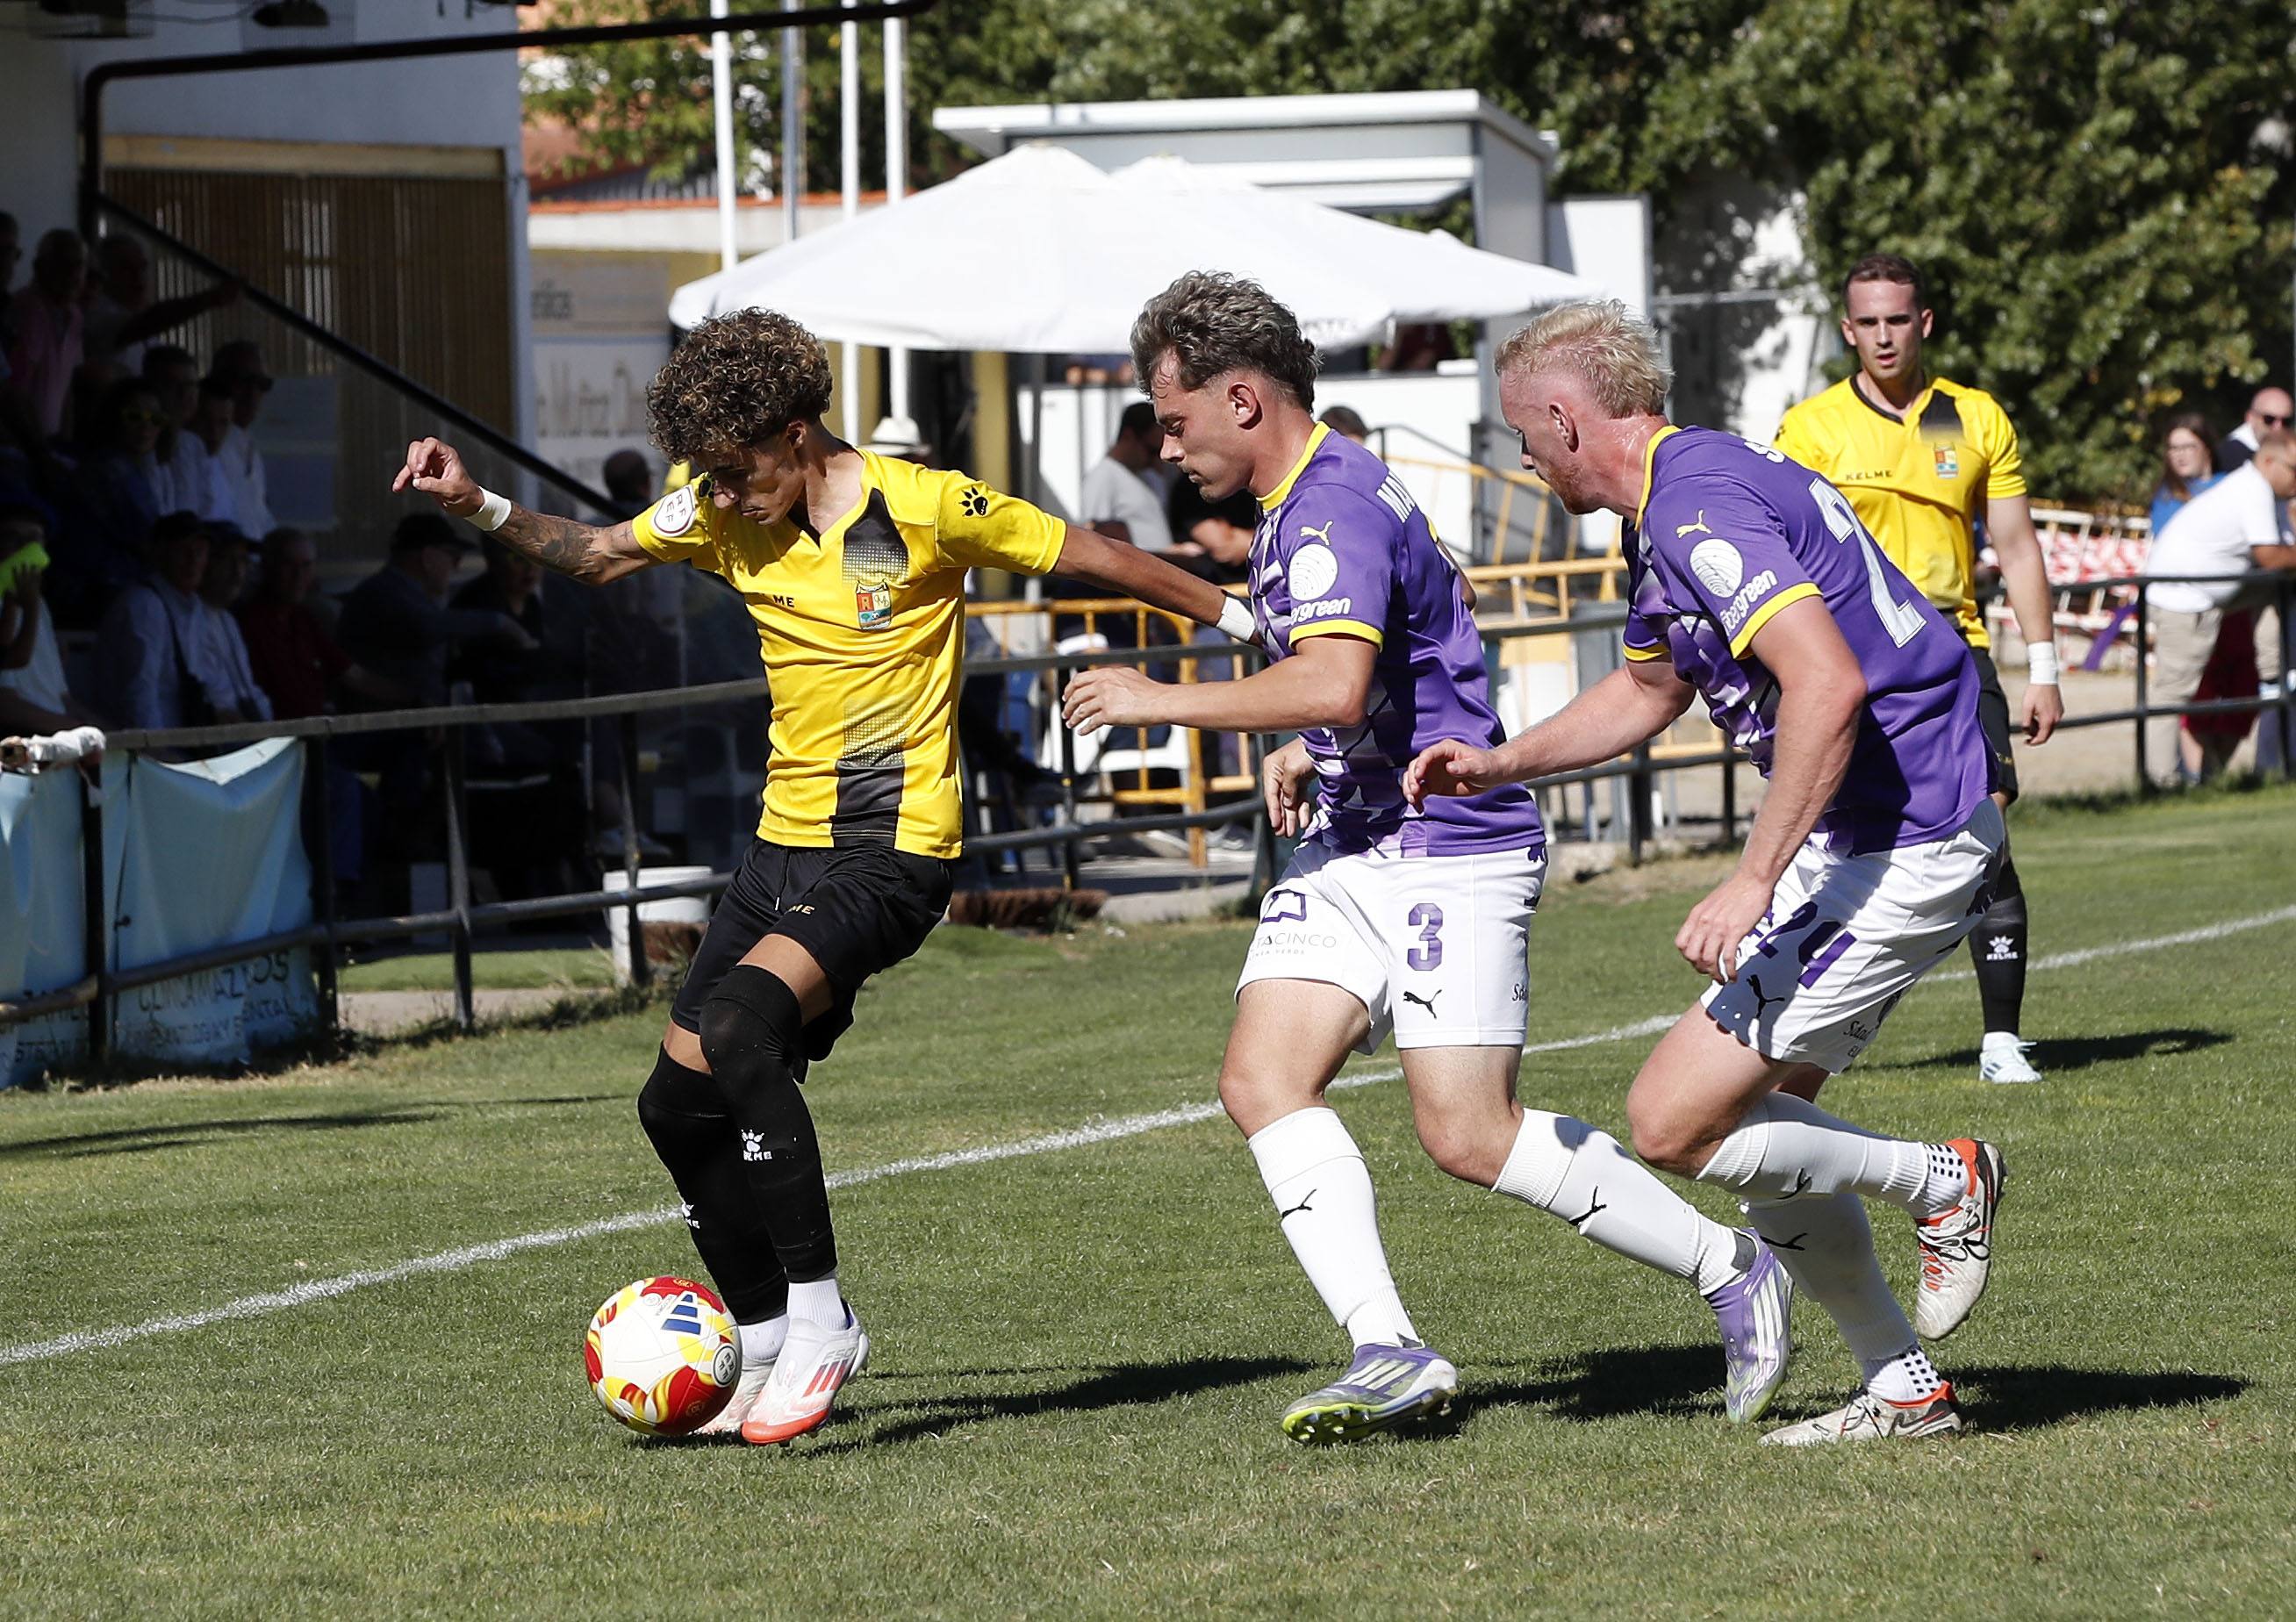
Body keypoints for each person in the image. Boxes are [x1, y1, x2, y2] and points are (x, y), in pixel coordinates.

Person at [392, 306, 1238, 1446]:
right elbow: (595, 555)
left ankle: (823, 1317)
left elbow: (1103, 558)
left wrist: (1246, 619)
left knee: (741, 1028)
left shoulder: (922, 508)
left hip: (892, 849)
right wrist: (474, 503)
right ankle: (766, 1341)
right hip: (778, 850)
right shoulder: (719, 508)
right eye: (711, 476)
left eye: (740, 471)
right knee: (672, 1103)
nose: (724, 495)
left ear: (799, 435)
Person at [1061, 272, 1793, 1444]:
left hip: (1448, 841)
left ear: (1242, 399)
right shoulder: (1306, 498)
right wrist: (1309, 747)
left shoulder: (1330, 503)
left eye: (1174, 412)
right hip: (1358, 836)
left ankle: (1731, 1267)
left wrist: (1165, 696)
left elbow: (1339, 676)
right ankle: (1389, 1348)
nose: (1164, 438)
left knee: (1467, 1134)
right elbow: (1366, 677)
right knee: (1262, 1080)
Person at [1406, 300, 2011, 1446]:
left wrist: (1748, 879)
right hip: (1879, 831)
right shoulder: (1681, 503)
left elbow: (1826, 686)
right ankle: (1903, 1389)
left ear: (1565, 418)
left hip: (1901, 835)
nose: (1526, 462)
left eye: (1523, 438)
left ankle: (1947, 1180)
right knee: (1759, 1138)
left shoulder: (1694, 506)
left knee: (1671, 1121)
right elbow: (1646, 689)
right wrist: (1498, 763)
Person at [1773, 254, 2060, 1087]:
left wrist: (2043, 665)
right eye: (1869, 322)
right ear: (1848, 330)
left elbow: (2016, 545)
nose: (1885, 336)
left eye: (1899, 319)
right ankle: (1806, 1018)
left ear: (1923, 322)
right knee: (1836, 842)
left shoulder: (1966, 419)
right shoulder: (1812, 428)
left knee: (1985, 832)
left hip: (1955, 649)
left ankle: (2001, 1039)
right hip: (1852, 657)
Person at [2140, 430, 2296, 785]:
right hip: (2183, 598)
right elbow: (2271, 557)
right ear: (2269, 462)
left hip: (2203, 594)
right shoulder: (2253, 490)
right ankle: (2161, 783)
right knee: (2171, 694)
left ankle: (2276, 674)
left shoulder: (2261, 489)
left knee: (2275, 590)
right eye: (2294, 470)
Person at [94, 512, 245, 730]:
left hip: (186, 744)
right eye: (183, 551)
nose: (193, 561)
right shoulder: (144, 605)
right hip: (148, 749)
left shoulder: (195, 610)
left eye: (200, 552)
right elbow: (139, 696)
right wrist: (159, 753)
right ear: (160, 553)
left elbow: (212, 683)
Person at [238, 527, 395, 721]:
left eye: (306, 566)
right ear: (269, 567)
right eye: (289, 565)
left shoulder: (303, 619)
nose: (298, 576)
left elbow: (351, 673)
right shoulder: (250, 623)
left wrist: (413, 699)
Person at [0, 505, 104, 737]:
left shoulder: (36, 602)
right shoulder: (23, 603)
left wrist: (113, 735)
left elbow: (62, 698)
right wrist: (81, 733)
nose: (26, 550)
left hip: (58, 739)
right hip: (21, 746)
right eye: (14, 540)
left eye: (35, 541)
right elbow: (6, 701)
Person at [82, 234, 238, 377]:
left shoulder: (150, 335)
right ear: (103, 276)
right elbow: (147, 322)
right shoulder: (96, 316)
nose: (138, 276)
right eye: (126, 269)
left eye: (142, 267)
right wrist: (209, 299)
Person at [142, 344, 239, 528]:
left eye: (191, 386)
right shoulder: (141, 444)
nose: (185, 395)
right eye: (172, 385)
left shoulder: (192, 444)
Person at [4, 229, 86, 440]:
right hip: (19, 445)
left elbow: (67, 389)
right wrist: (40, 453)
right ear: (39, 267)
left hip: (49, 444)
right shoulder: (27, 309)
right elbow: (15, 389)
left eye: (79, 264)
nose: (73, 273)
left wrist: (64, 443)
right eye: (64, 264)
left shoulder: (75, 315)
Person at [191, 528, 271, 722]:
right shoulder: (191, 620)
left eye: (243, 561)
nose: (237, 572)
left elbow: (249, 692)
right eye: (227, 560)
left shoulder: (228, 619)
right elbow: (216, 704)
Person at [1079, 400, 1173, 554]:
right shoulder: (1103, 476)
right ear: (1128, 436)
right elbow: (1096, 537)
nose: (1158, 459)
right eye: (1152, 451)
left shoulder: (1145, 475)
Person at [205, 340, 276, 537]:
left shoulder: (249, 447)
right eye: (242, 380)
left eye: (262, 384)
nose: (252, 393)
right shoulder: (206, 445)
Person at [2150, 413, 2219, 534]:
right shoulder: (2166, 498)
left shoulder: (2229, 485)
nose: (2180, 455)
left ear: (2207, 448)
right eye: (2174, 448)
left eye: (2188, 447)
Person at [2213, 386, 2292, 475]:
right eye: (2269, 419)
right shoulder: (2229, 456)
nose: (2278, 427)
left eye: (2286, 422)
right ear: (2250, 418)